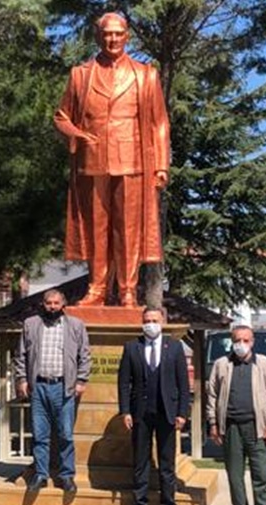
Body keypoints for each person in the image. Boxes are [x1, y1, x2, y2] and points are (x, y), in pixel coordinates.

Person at [54, 12, 170, 307]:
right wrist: (76, 135)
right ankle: (96, 287)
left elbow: (159, 123)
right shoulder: (81, 75)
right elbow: (61, 116)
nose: (113, 39)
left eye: (118, 33)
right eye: (107, 34)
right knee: (96, 229)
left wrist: (160, 166)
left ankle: (128, 288)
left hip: (133, 162)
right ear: (99, 36)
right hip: (93, 162)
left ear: (127, 36)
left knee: (128, 230)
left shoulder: (145, 75)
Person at [118, 307, 190, 505]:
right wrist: (125, 411)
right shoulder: (132, 347)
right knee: (140, 463)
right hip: (141, 414)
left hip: (167, 414)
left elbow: (183, 384)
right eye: (147, 320)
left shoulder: (175, 347)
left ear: (163, 322)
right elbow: (123, 382)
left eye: (154, 320)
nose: (150, 324)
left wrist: (182, 413)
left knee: (167, 465)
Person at [13, 288, 91, 492]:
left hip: (64, 387)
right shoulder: (31, 324)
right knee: (40, 434)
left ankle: (66, 475)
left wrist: (81, 379)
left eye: (56, 303)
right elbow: (20, 355)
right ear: (43, 304)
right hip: (38, 386)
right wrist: (21, 379)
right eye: (49, 303)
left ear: (63, 304)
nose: (52, 307)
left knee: (65, 434)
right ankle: (40, 474)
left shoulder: (75, 325)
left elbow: (85, 355)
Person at [205, 325, 266, 505]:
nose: (241, 344)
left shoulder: (265, 364)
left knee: (263, 474)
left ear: (252, 341)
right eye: (237, 340)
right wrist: (213, 423)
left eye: (245, 340)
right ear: (232, 341)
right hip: (230, 428)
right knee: (235, 474)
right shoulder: (221, 365)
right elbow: (212, 395)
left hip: (258, 428)